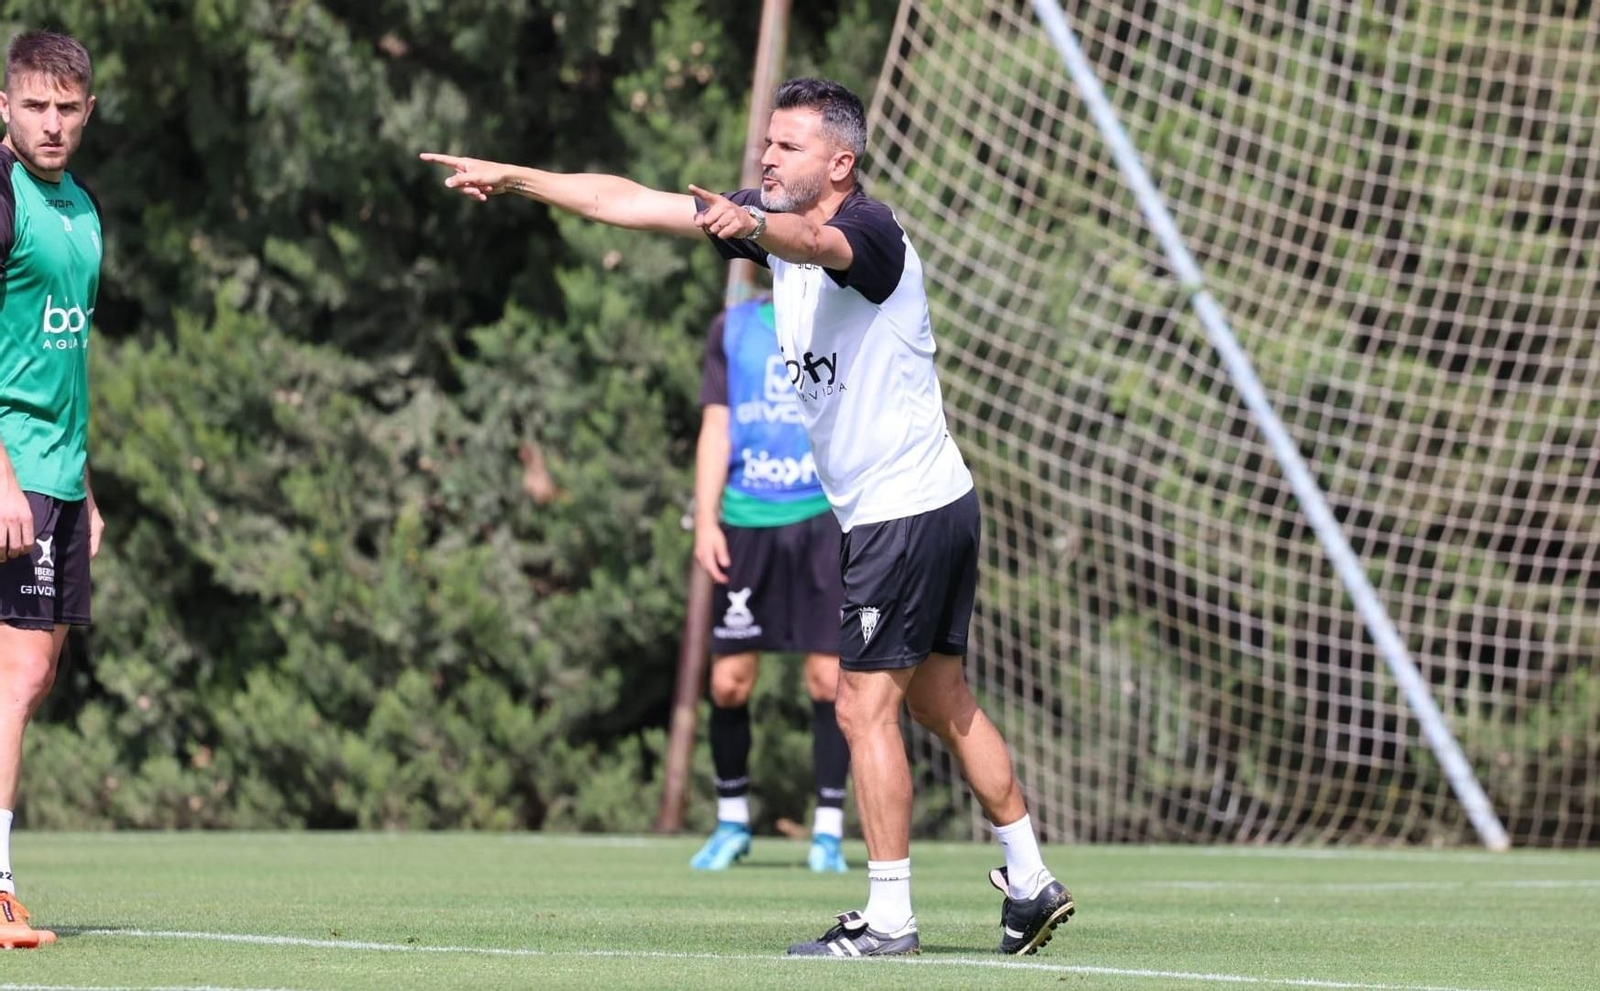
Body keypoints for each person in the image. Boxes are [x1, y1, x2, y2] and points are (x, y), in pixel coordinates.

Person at [422, 76, 1072, 958]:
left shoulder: (869, 231)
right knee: (941, 700)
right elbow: (634, 201)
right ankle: (1029, 880)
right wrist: (519, 177)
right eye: (766, 143)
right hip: (932, 505)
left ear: (841, 162)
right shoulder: (773, 228)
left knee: (858, 710)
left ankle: (888, 919)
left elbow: (816, 239)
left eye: (788, 146)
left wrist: (760, 229)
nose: (766, 157)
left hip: (900, 514)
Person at [0, 29, 105, 951]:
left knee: (33, 680)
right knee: (20, 673)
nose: (51, 124)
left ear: (89, 110)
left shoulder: (82, 207)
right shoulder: (0, 197)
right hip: (9, 476)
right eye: (35, 105)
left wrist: (89, 485)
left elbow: (67, 360)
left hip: (60, 481)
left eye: (67, 107)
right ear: (4, 107)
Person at [689, 294, 851, 874]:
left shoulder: (838, 311)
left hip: (820, 519)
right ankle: (732, 821)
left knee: (830, 679)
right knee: (730, 681)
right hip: (747, 521)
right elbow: (715, 427)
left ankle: (827, 833)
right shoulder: (730, 329)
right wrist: (706, 517)